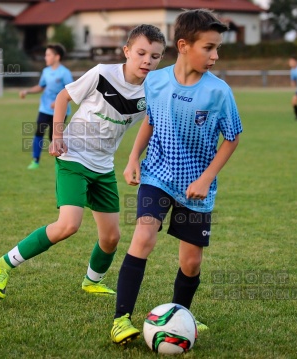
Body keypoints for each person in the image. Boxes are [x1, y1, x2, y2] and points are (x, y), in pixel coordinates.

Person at [0, 25, 167, 300]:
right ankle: (1, 264)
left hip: (103, 166)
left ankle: (92, 281)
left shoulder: (152, 90)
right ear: (127, 51)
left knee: (111, 237)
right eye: (141, 53)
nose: (147, 61)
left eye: (155, 56)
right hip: (73, 155)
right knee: (69, 225)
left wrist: (133, 158)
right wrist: (57, 136)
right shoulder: (103, 73)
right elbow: (63, 97)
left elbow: (151, 122)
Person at [109, 9, 243, 345]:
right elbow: (150, 121)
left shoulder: (219, 92)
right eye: (208, 48)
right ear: (184, 45)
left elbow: (232, 137)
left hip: (197, 185)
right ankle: (120, 319)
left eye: (217, 49)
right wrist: (132, 158)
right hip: (157, 173)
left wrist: (206, 178)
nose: (214, 56)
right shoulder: (155, 80)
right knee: (144, 236)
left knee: (191, 260)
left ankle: (180, 317)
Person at [20, 44, 73, 169]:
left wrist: (59, 103)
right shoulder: (46, 71)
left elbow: (72, 90)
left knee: (54, 137)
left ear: (57, 57)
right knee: (38, 132)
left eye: (48, 54)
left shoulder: (64, 73)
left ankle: (62, 162)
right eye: (45, 55)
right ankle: (35, 161)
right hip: (44, 109)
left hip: (60, 111)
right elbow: (41, 86)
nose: (45, 57)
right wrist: (27, 91)